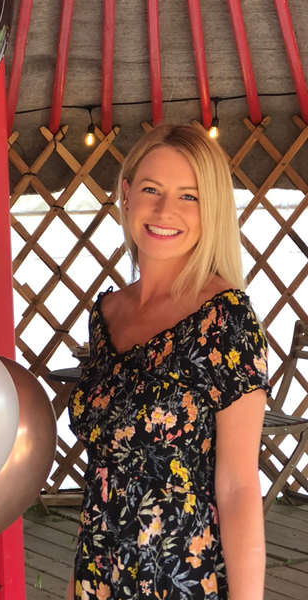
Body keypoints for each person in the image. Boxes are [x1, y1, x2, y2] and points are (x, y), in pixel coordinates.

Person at [66, 124, 270, 600]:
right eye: (152, 190)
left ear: (212, 210)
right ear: (126, 195)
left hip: (181, 578)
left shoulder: (225, 320)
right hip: (100, 573)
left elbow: (240, 485)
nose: (164, 211)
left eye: (189, 197)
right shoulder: (107, 315)